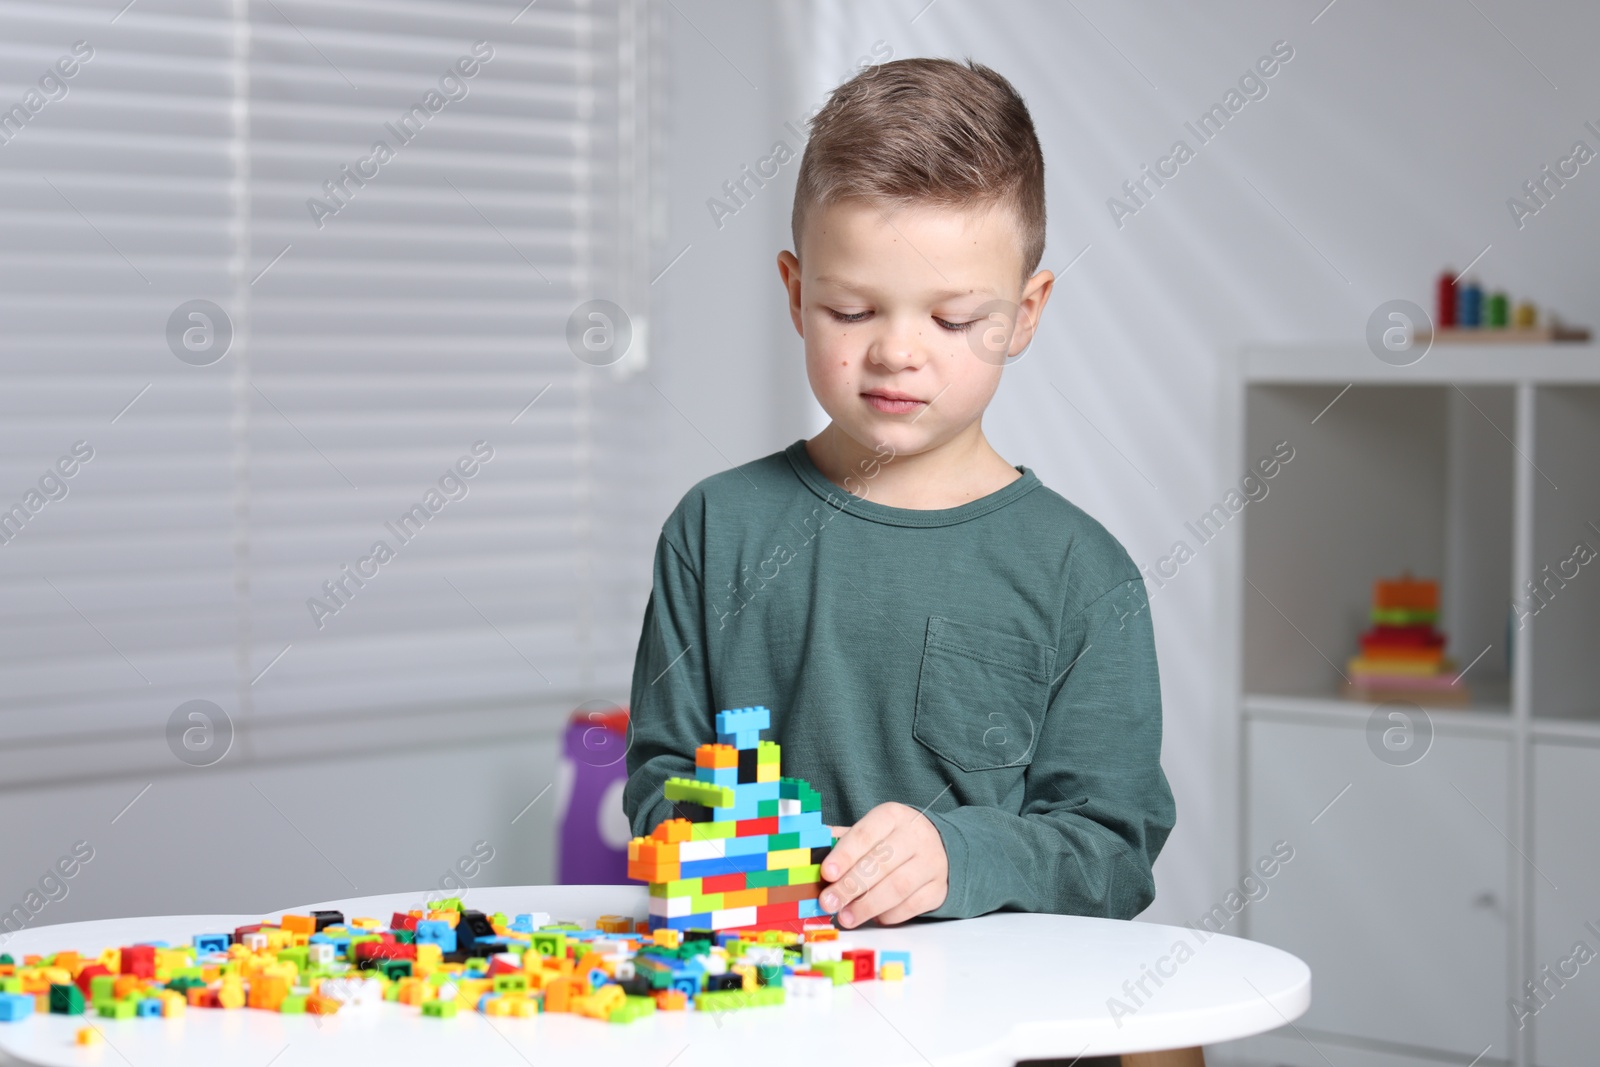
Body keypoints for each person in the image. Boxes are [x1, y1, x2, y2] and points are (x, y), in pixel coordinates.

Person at [624, 52, 1175, 994]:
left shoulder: (1084, 573)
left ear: (1025, 314)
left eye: (955, 319)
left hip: (991, 1021)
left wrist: (957, 856)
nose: (896, 352)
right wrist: (724, 839)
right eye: (851, 308)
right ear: (797, 294)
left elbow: (1111, 852)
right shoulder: (713, 529)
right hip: (754, 1007)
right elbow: (658, 777)